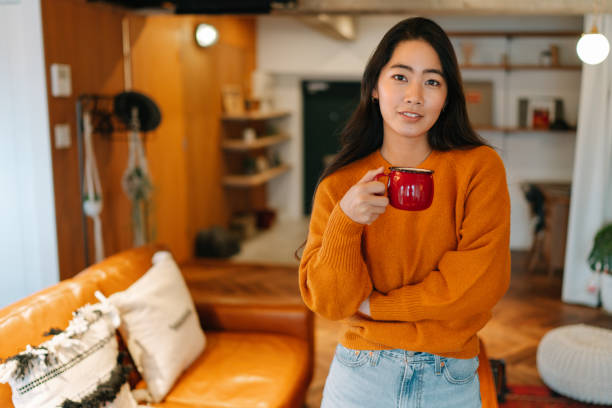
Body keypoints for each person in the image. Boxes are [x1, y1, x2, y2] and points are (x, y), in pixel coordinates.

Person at [298, 17, 511, 408]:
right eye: (400, 77)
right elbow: (330, 303)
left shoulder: (478, 168)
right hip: (360, 375)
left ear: (447, 96)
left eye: (432, 81)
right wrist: (345, 223)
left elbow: (482, 283)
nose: (414, 95)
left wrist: (378, 306)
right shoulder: (341, 184)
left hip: (450, 377)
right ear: (375, 87)